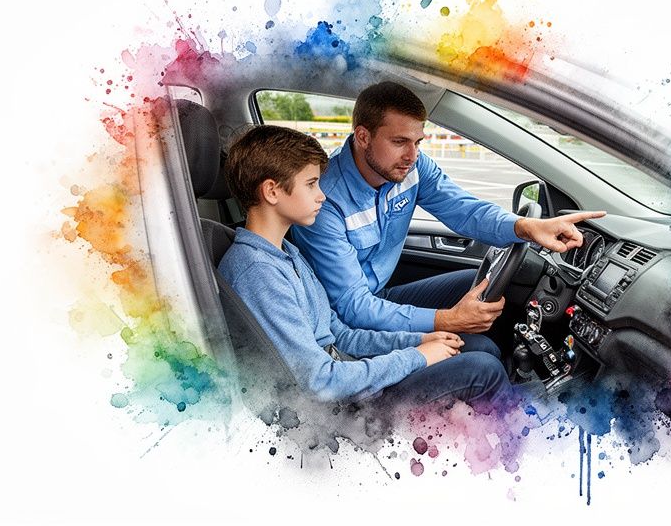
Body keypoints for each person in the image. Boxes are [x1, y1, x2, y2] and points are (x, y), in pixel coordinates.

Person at [292, 81, 606, 347]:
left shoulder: (411, 167)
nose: (412, 156)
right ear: (363, 137)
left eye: (417, 142)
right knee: (482, 352)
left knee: (478, 283)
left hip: (381, 297)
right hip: (345, 322)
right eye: (399, 142)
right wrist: (450, 320)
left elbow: (464, 211)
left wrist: (526, 227)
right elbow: (352, 306)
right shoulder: (324, 200)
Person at [217, 124, 510, 405]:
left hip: (347, 374)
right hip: (339, 412)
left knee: (478, 346)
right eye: (311, 184)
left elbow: (341, 336)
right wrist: (416, 356)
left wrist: (418, 340)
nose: (322, 194)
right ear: (271, 191)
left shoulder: (287, 253)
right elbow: (320, 381)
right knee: (482, 369)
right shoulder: (258, 272)